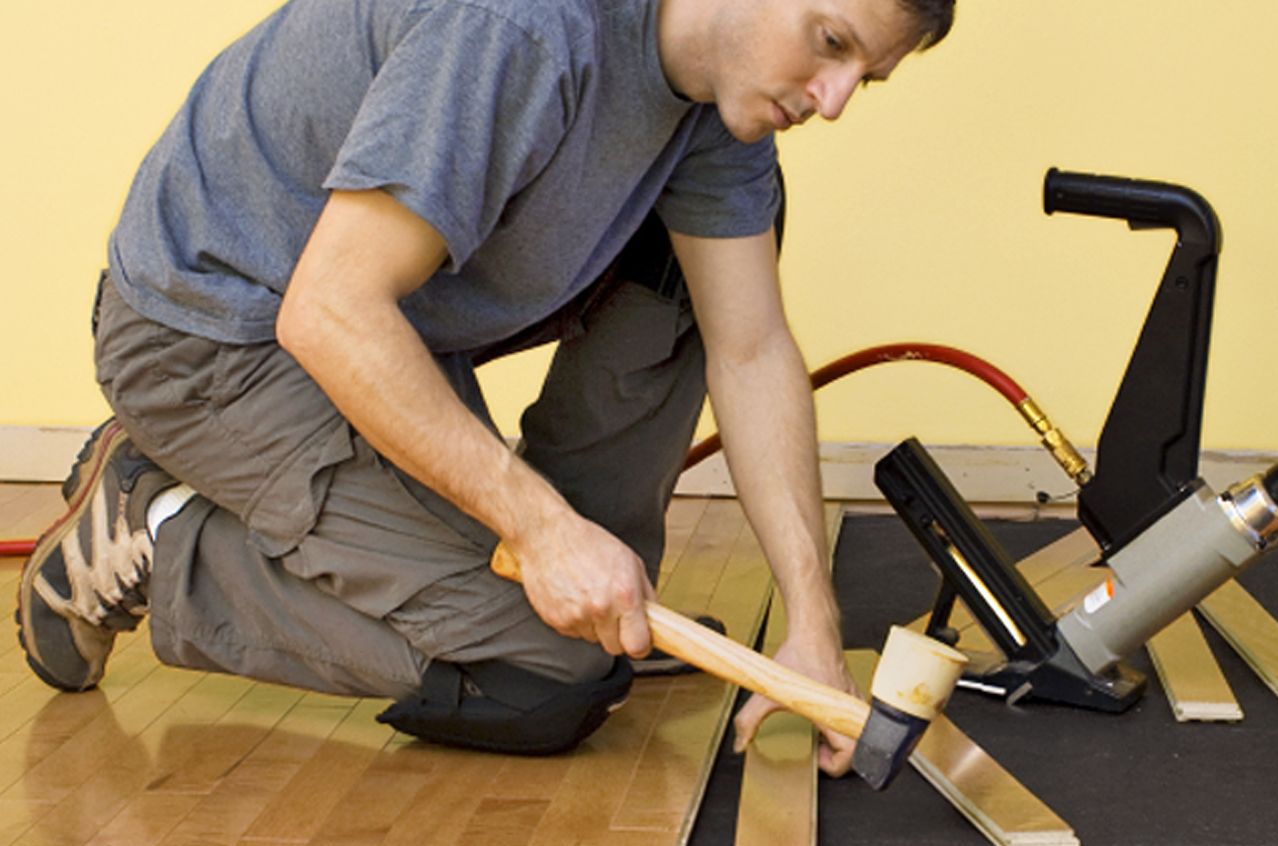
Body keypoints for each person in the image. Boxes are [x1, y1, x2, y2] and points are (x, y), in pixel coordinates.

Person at [18, 0, 955, 772]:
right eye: (829, 43)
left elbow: (749, 347)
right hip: (211, 337)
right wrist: (539, 532)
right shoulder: (521, 27)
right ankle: (154, 524)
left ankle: (584, 591)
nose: (831, 101)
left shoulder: (721, 101)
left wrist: (812, 623)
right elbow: (330, 312)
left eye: (863, 78)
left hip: (380, 323)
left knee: (696, 263)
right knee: (546, 673)